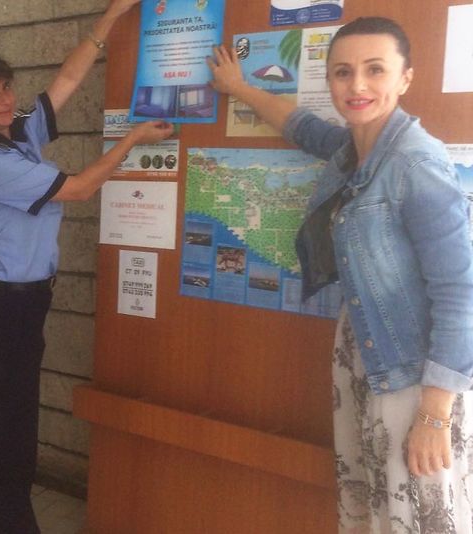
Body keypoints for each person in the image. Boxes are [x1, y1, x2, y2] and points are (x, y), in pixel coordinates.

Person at [208, 17, 473, 532]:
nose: (357, 85)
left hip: (413, 372)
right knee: (367, 506)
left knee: (416, 517)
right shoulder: (353, 149)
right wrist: (238, 87)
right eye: (343, 72)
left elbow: (461, 293)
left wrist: (434, 415)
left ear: (405, 78)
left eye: (376, 70)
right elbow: (300, 126)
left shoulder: (416, 164)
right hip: (362, 352)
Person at [0, 2, 173, 532]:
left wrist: (110, 18)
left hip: (17, 306)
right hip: (8, 312)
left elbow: (65, 79)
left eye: (5, 88)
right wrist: (132, 140)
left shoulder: (17, 132)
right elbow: (80, 189)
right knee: (15, 441)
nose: (4, 100)